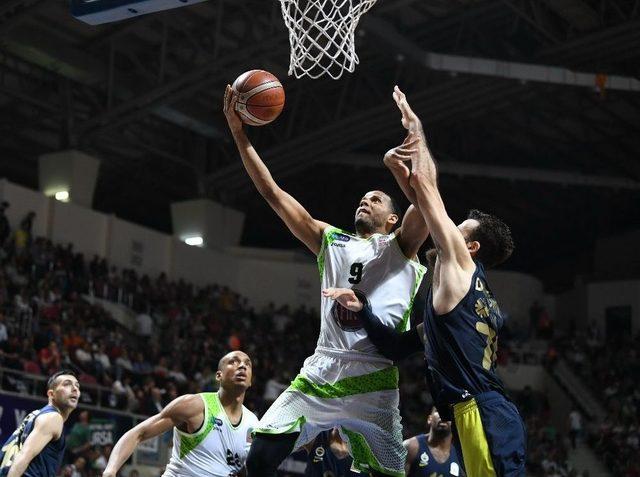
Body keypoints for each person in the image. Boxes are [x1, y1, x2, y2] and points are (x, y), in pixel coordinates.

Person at [223, 85, 429, 477]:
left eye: (376, 199)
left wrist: (414, 140)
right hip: (323, 368)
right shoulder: (330, 241)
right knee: (259, 459)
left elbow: (426, 203)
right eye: (363, 197)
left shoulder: (401, 246)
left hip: (375, 378)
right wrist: (239, 131)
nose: (365, 201)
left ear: (391, 219)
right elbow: (272, 192)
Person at [323, 86, 526, 476]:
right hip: (486, 411)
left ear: (472, 246)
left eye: (454, 229)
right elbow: (398, 346)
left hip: (479, 412)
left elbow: (428, 192)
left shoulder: (461, 265)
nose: (442, 230)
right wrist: (363, 310)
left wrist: (415, 131)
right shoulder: (459, 303)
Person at [102, 351, 258, 477]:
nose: (242, 366)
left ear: (251, 381)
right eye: (234, 362)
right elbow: (139, 432)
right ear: (219, 376)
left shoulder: (253, 423)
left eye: (247, 364)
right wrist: (110, 470)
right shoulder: (195, 406)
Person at [0, 371, 80, 477]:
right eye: (67, 384)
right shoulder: (53, 417)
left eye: (77, 386)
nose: (75, 389)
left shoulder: (37, 415)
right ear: (51, 394)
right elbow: (24, 456)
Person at [404, 408, 462, 477]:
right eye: (438, 411)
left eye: (448, 412)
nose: (443, 415)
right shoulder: (410, 447)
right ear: (429, 419)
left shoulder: (461, 455)